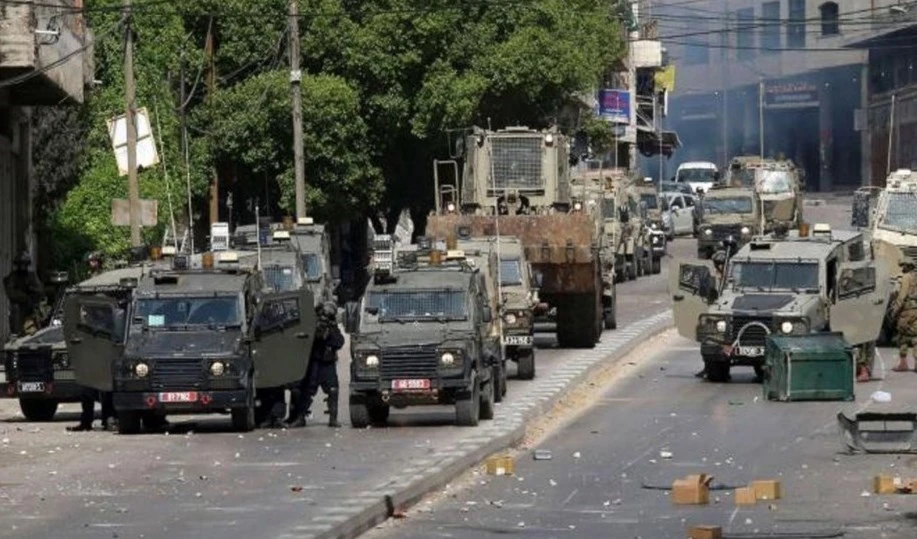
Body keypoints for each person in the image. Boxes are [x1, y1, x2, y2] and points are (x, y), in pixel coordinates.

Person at [285, 302, 344, 428]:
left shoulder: (332, 326)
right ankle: (301, 417)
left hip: (327, 363)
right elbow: (312, 339)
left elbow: (339, 342)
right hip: (314, 362)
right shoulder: (312, 323)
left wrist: (329, 334)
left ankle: (333, 419)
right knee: (307, 390)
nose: (325, 317)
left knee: (333, 389)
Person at [4, 251, 44, 337]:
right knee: (16, 318)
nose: (22, 267)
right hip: (18, 308)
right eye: (20, 264)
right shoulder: (13, 277)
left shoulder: (31, 276)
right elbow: (11, 293)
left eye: (24, 264)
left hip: (31, 309)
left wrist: (31, 289)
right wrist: (24, 296)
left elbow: (40, 290)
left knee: (35, 330)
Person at [891, 260, 917, 373]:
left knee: (902, 337)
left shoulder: (906, 278)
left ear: (908, 266)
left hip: (906, 311)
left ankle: (903, 363)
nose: (902, 268)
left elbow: (902, 296)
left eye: (903, 266)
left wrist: (894, 311)